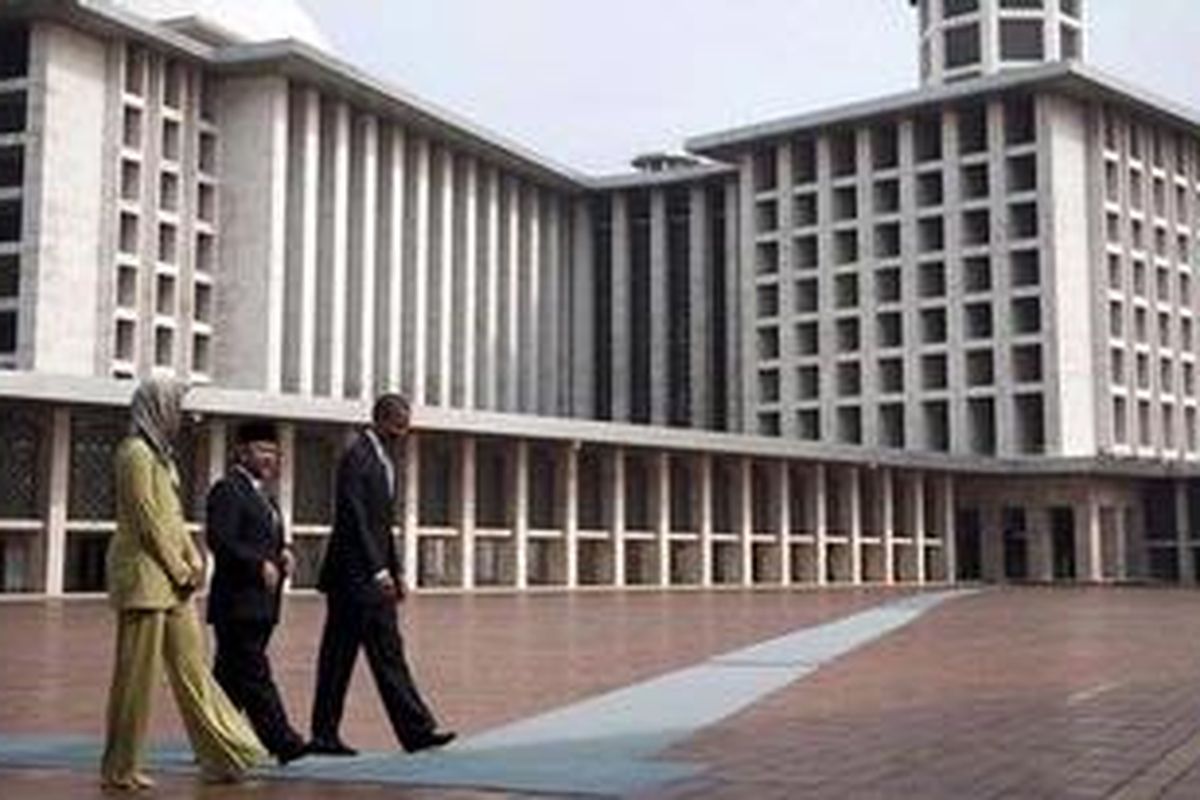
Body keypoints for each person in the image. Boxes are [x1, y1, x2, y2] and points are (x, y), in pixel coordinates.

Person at [101, 378, 266, 790]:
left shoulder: (163, 457)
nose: (181, 413)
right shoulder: (134, 454)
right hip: (144, 580)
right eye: (176, 404)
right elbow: (146, 521)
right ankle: (120, 768)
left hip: (174, 582)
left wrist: (193, 558)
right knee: (135, 680)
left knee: (193, 669)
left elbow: (172, 518)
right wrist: (179, 568)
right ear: (157, 406)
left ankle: (225, 753)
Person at [310, 393, 455, 755]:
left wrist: (396, 570)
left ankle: (417, 732)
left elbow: (381, 526)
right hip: (352, 580)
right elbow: (354, 518)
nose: (404, 433)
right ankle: (324, 735)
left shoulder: (384, 460)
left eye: (406, 425)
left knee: (389, 655)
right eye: (400, 425)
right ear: (382, 420)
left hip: (374, 581)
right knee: (338, 660)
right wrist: (378, 570)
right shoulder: (356, 456)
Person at [206, 420, 309, 765]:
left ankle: (211, 737)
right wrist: (256, 564)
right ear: (241, 452)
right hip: (238, 603)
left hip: (263, 604)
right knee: (255, 673)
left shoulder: (263, 495)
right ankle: (283, 741)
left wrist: (285, 551)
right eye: (262, 451)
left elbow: (270, 538)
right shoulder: (227, 490)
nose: (269, 459)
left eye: (274, 453)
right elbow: (221, 541)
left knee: (229, 680)